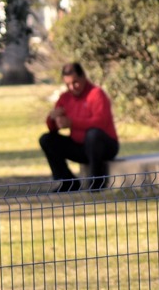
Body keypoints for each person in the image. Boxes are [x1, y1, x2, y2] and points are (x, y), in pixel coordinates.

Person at [39, 61, 119, 192]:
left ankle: (97, 183)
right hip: (80, 147)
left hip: (104, 146)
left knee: (93, 134)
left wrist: (71, 123)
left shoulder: (96, 94)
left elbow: (100, 122)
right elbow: (53, 129)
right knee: (47, 139)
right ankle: (68, 182)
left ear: (83, 77)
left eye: (75, 82)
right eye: (68, 84)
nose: (72, 87)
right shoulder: (65, 98)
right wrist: (52, 119)